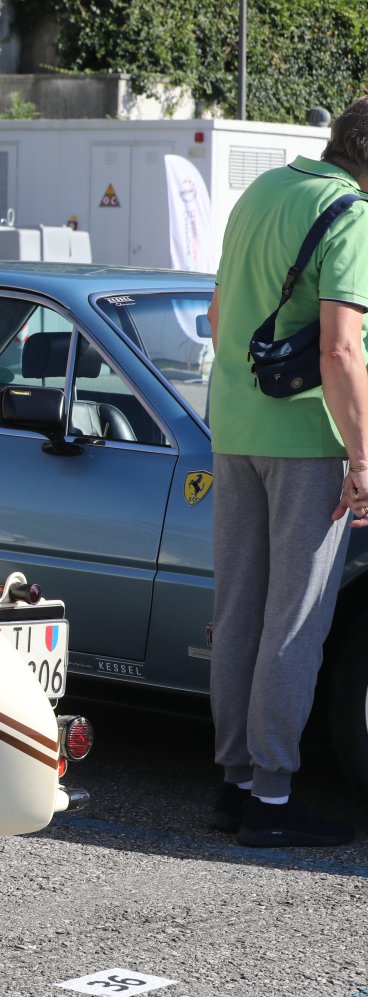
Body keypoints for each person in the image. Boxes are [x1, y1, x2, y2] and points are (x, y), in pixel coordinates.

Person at [205, 96, 368, 847]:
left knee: (239, 610)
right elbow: (340, 349)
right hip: (307, 439)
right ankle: (272, 801)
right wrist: (362, 456)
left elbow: (217, 317)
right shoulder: (352, 215)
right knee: (295, 622)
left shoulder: (261, 191)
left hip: (235, 428)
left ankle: (235, 786)